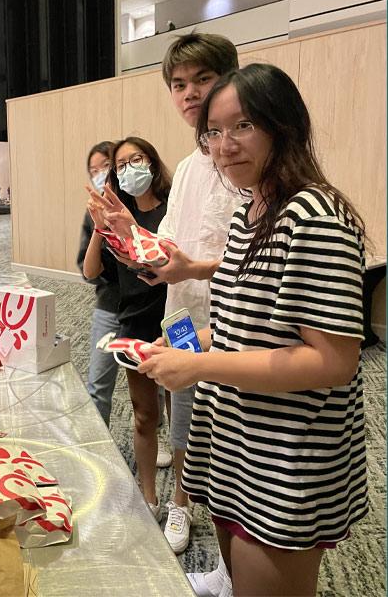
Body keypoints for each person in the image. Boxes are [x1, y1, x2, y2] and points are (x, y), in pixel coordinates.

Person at [138, 64, 369, 597]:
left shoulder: (315, 217)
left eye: (242, 126)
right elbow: (247, 321)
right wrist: (183, 348)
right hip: (237, 433)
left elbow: (334, 362)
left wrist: (198, 366)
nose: (224, 145)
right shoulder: (252, 209)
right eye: (213, 132)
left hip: (287, 451)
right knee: (237, 571)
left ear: (282, 126)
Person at [95, 32, 240, 557]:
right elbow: (173, 244)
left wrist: (190, 266)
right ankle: (180, 501)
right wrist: (132, 241)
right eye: (178, 84)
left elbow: (263, 260)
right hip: (181, 316)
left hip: (233, 320)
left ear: (231, 78)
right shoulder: (190, 167)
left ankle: (227, 538)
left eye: (203, 78)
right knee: (182, 423)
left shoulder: (247, 161)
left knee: (233, 430)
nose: (190, 94)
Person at [83, 137, 172, 519]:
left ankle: (182, 499)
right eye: (121, 164)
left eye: (137, 159)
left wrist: (131, 228)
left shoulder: (172, 210)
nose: (129, 168)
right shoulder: (116, 216)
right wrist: (100, 228)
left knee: (181, 411)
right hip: (133, 321)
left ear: (152, 162)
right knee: (143, 414)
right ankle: (149, 496)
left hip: (173, 321)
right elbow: (90, 272)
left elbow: (167, 261)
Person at [76, 141, 120, 426]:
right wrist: (100, 227)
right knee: (98, 386)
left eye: (105, 166)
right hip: (110, 305)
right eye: (94, 170)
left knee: (151, 388)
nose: (100, 174)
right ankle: (98, 448)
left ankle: (153, 439)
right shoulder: (93, 213)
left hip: (148, 308)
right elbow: (88, 270)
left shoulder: (144, 203)